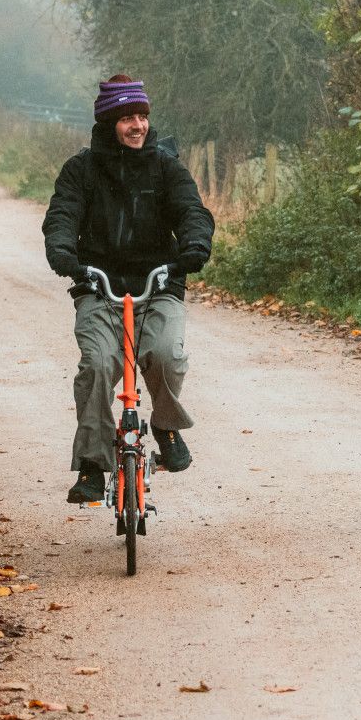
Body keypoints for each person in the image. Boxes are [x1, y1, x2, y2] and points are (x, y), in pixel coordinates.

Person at [43, 75, 215, 504]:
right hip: (98, 287)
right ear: (108, 123)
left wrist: (194, 245)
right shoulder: (81, 169)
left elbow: (192, 210)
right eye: (126, 118)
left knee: (165, 355)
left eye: (141, 116)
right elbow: (62, 215)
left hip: (158, 284)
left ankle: (165, 425)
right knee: (99, 365)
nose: (136, 125)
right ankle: (91, 464)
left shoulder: (165, 165)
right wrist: (65, 254)